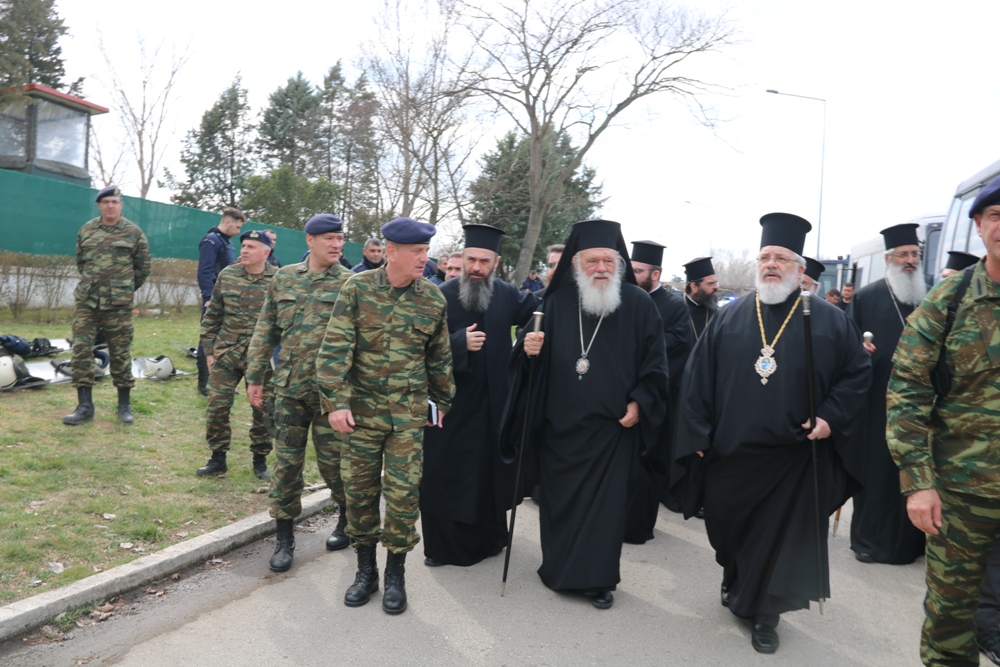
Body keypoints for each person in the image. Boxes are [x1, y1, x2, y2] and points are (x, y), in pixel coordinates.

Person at [673, 213, 871, 654]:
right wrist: (699, 434)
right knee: (729, 532)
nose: (770, 264)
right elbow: (697, 379)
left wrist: (829, 418)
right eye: (764, 256)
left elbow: (858, 374)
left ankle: (766, 615)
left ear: (800, 270)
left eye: (781, 258)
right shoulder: (731, 316)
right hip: (731, 453)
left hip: (793, 457)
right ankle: (734, 576)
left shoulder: (829, 319)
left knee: (781, 542)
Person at [500, 219, 669, 610]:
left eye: (608, 261)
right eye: (592, 261)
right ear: (576, 265)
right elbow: (524, 363)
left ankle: (598, 580)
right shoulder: (556, 304)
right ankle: (557, 569)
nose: (601, 268)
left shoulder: (639, 305)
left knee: (604, 512)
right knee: (560, 505)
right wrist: (528, 351)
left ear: (619, 264)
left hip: (613, 431)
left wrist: (641, 402)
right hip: (561, 429)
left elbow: (657, 365)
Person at [887, 176, 1000, 667]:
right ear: (978, 226)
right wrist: (918, 484)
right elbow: (908, 392)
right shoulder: (948, 301)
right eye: (997, 215)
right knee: (950, 625)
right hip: (962, 495)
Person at [317, 216, 455, 615]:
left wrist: (443, 402)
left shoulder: (432, 298)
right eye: (417, 251)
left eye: (427, 251)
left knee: (402, 498)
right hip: (360, 414)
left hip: (408, 418)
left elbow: (440, 358)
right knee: (359, 494)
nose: (424, 259)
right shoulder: (357, 289)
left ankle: (396, 575)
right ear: (390, 252)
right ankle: (365, 573)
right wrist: (336, 402)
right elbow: (335, 350)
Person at [421, 224, 538, 567]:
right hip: (451, 405)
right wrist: (459, 344)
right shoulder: (440, 294)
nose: (475, 267)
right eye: (471, 259)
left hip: (493, 405)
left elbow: (539, 315)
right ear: (462, 257)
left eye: (483, 261)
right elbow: (418, 346)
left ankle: (490, 540)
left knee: (486, 474)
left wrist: (531, 339)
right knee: (446, 474)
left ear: (495, 262)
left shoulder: (506, 293)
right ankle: (443, 548)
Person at [244, 214, 352, 574]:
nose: (337, 245)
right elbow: (266, 328)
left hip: (330, 397)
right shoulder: (285, 278)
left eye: (340, 238)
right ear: (310, 241)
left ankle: (345, 519)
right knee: (286, 467)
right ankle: (284, 537)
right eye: (330, 239)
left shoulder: (351, 284)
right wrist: (256, 376)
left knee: (334, 467)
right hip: (288, 390)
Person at [849, 223, 927, 565]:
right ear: (888, 258)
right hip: (877, 399)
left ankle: (910, 544)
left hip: (921, 402)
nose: (910, 260)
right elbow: (848, 348)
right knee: (877, 472)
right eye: (903, 255)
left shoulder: (931, 295)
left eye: (914, 254)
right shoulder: (867, 297)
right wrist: (859, 353)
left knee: (912, 471)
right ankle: (868, 541)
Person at [63, 186, 151, 426]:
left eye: (115, 201)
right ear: (100, 205)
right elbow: (81, 261)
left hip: (118, 304)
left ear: (121, 204)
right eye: (106, 202)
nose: (110, 205)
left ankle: (124, 405)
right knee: (81, 349)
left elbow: (142, 268)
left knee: (121, 352)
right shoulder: (87, 230)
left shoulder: (134, 233)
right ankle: (84, 406)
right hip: (87, 300)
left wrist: (123, 290)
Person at [197, 230, 278, 480]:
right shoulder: (228, 275)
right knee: (217, 405)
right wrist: (209, 351)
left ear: (266, 253)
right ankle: (217, 458)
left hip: (263, 358)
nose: (243, 250)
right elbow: (212, 317)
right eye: (243, 245)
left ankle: (260, 459)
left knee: (263, 410)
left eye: (251, 247)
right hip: (227, 353)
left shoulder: (279, 280)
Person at [629, 239, 690, 529]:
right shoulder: (624, 297)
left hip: (656, 397)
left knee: (648, 460)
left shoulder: (674, 305)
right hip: (624, 393)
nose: (632, 274)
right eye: (630, 268)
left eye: (638, 270)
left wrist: (643, 345)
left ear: (655, 274)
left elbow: (679, 343)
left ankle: (639, 525)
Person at [196, 208, 246, 395]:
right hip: (214, 300)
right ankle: (204, 384)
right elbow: (205, 271)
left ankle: (220, 382)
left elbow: (226, 269)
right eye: (237, 227)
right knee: (207, 340)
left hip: (228, 298)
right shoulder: (211, 241)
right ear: (227, 222)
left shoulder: (226, 243)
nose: (238, 231)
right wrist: (208, 298)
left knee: (224, 340)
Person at [683, 257, 718, 341]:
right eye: (711, 284)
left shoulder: (717, 313)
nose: (716, 287)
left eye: (716, 283)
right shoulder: (677, 311)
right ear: (694, 287)